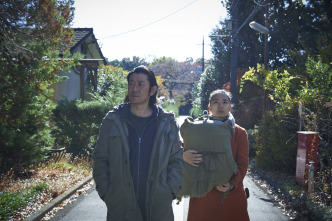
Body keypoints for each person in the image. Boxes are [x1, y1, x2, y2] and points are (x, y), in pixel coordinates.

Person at [93, 65, 184, 221]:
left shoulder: (166, 122)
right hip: (120, 206)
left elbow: (176, 160)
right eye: (131, 83)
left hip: (158, 206)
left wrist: (170, 191)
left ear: (153, 90)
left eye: (140, 84)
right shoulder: (113, 120)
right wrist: (107, 193)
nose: (134, 88)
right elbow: (100, 159)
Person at [183, 89, 250, 221]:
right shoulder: (197, 129)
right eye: (216, 102)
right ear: (209, 107)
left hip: (231, 195)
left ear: (230, 107)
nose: (220, 106)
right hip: (203, 195)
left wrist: (231, 184)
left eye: (225, 102)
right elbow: (180, 150)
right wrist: (183, 155)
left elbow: (242, 164)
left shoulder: (239, 133)